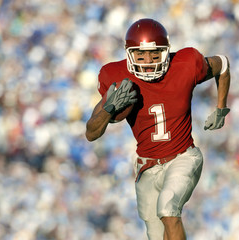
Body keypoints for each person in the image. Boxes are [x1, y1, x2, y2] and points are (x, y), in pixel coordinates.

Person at [85, 18, 231, 240]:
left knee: (168, 208)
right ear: (129, 53)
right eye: (141, 55)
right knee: (156, 234)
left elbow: (223, 64)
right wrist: (109, 108)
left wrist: (221, 109)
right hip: (147, 166)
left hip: (183, 156)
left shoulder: (185, 63)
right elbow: (91, 133)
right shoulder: (115, 76)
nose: (148, 61)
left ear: (166, 51)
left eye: (154, 54)